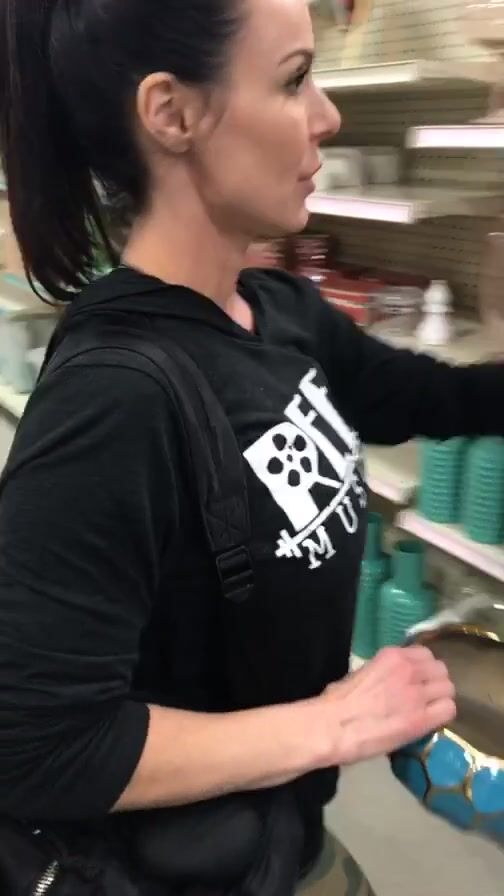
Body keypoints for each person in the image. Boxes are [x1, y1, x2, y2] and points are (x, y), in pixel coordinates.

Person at [0, 0, 502, 892]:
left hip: (277, 837)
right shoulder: (115, 401)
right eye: (294, 78)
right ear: (173, 113)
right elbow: (37, 745)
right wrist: (333, 725)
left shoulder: (277, 313)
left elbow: (422, 395)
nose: (328, 116)